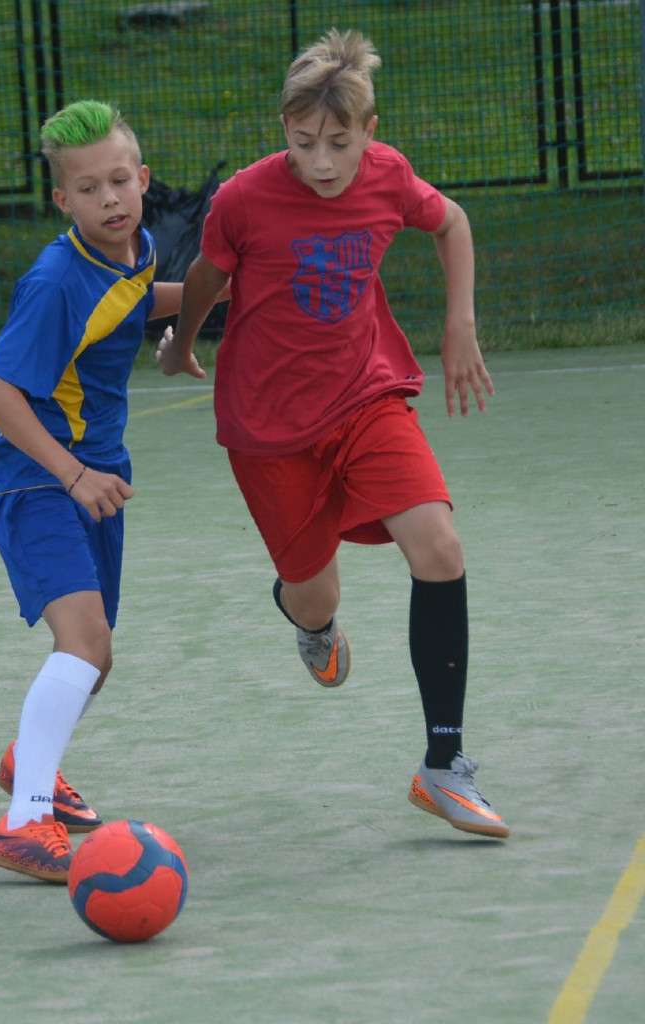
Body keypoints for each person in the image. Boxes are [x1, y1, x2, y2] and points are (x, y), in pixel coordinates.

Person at [157, 29, 509, 839]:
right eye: (304, 141)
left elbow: (451, 222)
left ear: (369, 133)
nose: (321, 161)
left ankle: (443, 765)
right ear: (284, 129)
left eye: (339, 144)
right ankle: (309, 622)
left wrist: (460, 325)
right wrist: (185, 342)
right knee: (314, 592)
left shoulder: (388, 178)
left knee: (440, 548)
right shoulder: (244, 199)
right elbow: (210, 273)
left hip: (366, 397)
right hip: (268, 426)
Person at [0, 100, 226, 882]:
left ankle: (31, 766)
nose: (109, 199)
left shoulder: (139, 248)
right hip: (40, 480)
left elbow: (133, 302)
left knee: (94, 656)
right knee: (84, 645)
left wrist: (217, 292)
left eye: (120, 180)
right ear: (63, 202)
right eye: (88, 189)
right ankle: (22, 828)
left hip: (97, 477)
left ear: (143, 180)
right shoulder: (53, 282)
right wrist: (73, 474)